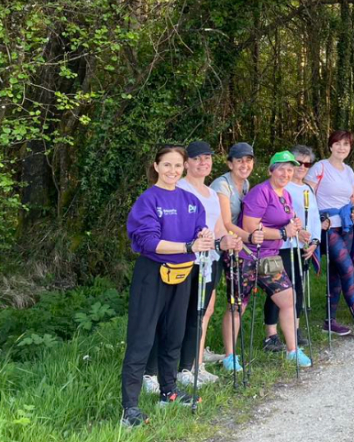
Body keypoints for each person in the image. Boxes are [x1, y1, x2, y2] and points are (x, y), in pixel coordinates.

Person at [121, 145, 213, 427]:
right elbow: (147, 242)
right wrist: (188, 245)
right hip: (153, 274)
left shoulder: (191, 200)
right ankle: (130, 409)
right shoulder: (148, 200)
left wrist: (205, 235)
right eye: (167, 165)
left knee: (174, 334)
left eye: (177, 165)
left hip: (183, 273)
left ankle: (168, 392)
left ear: (184, 168)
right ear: (157, 166)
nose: (173, 170)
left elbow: (199, 231)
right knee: (142, 339)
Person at [141, 141, 240, 394]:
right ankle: (150, 372)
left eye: (207, 158)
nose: (203, 163)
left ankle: (187, 368)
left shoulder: (211, 193)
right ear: (186, 164)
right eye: (197, 159)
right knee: (169, 319)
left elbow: (218, 229)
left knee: (198, 316)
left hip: (209, 263)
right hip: (182, 263)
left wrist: (226, 242)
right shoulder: (179, 188)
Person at [222, 151, 317, 372]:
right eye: (281, 168)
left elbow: (291, 220)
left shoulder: (285, 195)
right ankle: (229, 356)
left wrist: (300, 232)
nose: (286, 173)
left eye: (290, 169)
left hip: (269, 257)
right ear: (271, 170)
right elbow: (249, 227)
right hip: (245, 256)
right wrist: (283, 233)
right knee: (237, 306)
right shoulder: (260, 193)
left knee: (288, 298)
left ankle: (292, 351)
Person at [306, 131, 354, 340]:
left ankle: (330, 320)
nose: (342, 148)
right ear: (330, 146)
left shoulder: (348, 171)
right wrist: (318, 219)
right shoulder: (320, 168)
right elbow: (306, 197)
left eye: (346, 144)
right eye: (338, 144)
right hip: (328, 228)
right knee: (348, 268)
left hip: (346, 226)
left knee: (336, 270)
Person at [263, 145, 324, 350]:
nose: (302, 167)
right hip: (280, 246)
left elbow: (313, 218)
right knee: (277, 290)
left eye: (307, 164)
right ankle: (271, 334)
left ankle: (294, 330)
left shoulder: (307, 189)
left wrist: (315, 241)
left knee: (296, 289)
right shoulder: (282, 187)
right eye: (298, 163)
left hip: (301, 247)